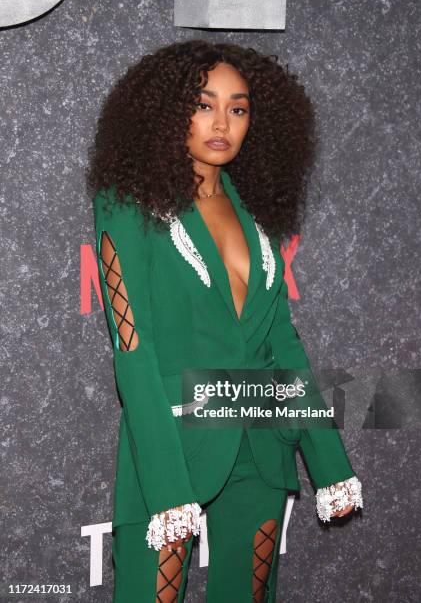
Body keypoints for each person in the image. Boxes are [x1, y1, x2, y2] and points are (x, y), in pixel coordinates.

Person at [86, 39, 363, 603]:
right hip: (173, 444)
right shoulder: (128, 202)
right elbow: (133, 350)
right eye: (203, 103)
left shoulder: (255, 206)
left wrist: (329, 461)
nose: (222, 123)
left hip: (260, 438)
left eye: (237, 108)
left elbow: (281, 342)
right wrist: (165, 485)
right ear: (168, 113)